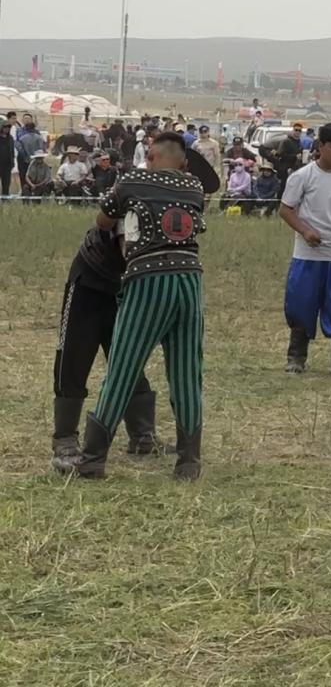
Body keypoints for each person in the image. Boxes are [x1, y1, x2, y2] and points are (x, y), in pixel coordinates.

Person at [67, 132, 207, 481]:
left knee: (123, 366)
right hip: (190, 280)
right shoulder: (194, 187)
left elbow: (103, 220)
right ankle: (188, 462)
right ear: (184, 162)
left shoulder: (132, 181)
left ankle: (93, 458)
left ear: (151, 157)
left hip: (148, 279)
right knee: (187, 372)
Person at [51, 226, 166, 471]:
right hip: (90, 277)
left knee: (129, 354)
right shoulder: (129, 201)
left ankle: (143, 435)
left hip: (127, 283)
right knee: (74, 355)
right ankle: (65, 438)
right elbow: (123, 240)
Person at [279, 123, 331, 375]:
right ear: (320, 146)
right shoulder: (302, 176)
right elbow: (285, 210)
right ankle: (296, 357)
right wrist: (305, 231)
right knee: (301, 304)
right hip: (308, 254)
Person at [16, 121, 45, 188]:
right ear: (34, 128)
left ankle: (25, 191)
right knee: (36, 178)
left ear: (26, 129)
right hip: (37, 161)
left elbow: (20, 150)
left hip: (25, 162)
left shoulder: (22, 139)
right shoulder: (40, 138)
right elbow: (41, 150)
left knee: (24, 178)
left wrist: (25, 157)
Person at [0, 118, 14, 197]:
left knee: (6, 183)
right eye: (5, 127)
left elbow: (12, 151)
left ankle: (5, 199)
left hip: (7, 165)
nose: (7, 128)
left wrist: (12, 163)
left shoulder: (10, 138)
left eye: (9, 127)